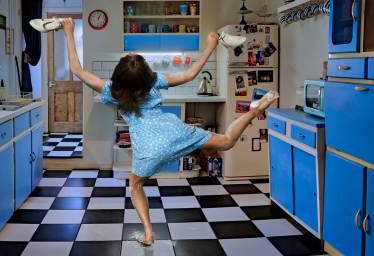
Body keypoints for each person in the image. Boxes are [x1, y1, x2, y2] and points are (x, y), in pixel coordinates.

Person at [61, 18, 278, 246]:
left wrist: (69, 31)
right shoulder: (154, 81)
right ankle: (254, 111)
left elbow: (77, 69)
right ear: (146, 75)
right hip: (175, 131)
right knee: (225, 141)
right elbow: (191, 74)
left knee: (135, 186)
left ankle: (148, 233)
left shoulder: (111, 90)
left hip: (148, 147)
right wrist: (211, 45)